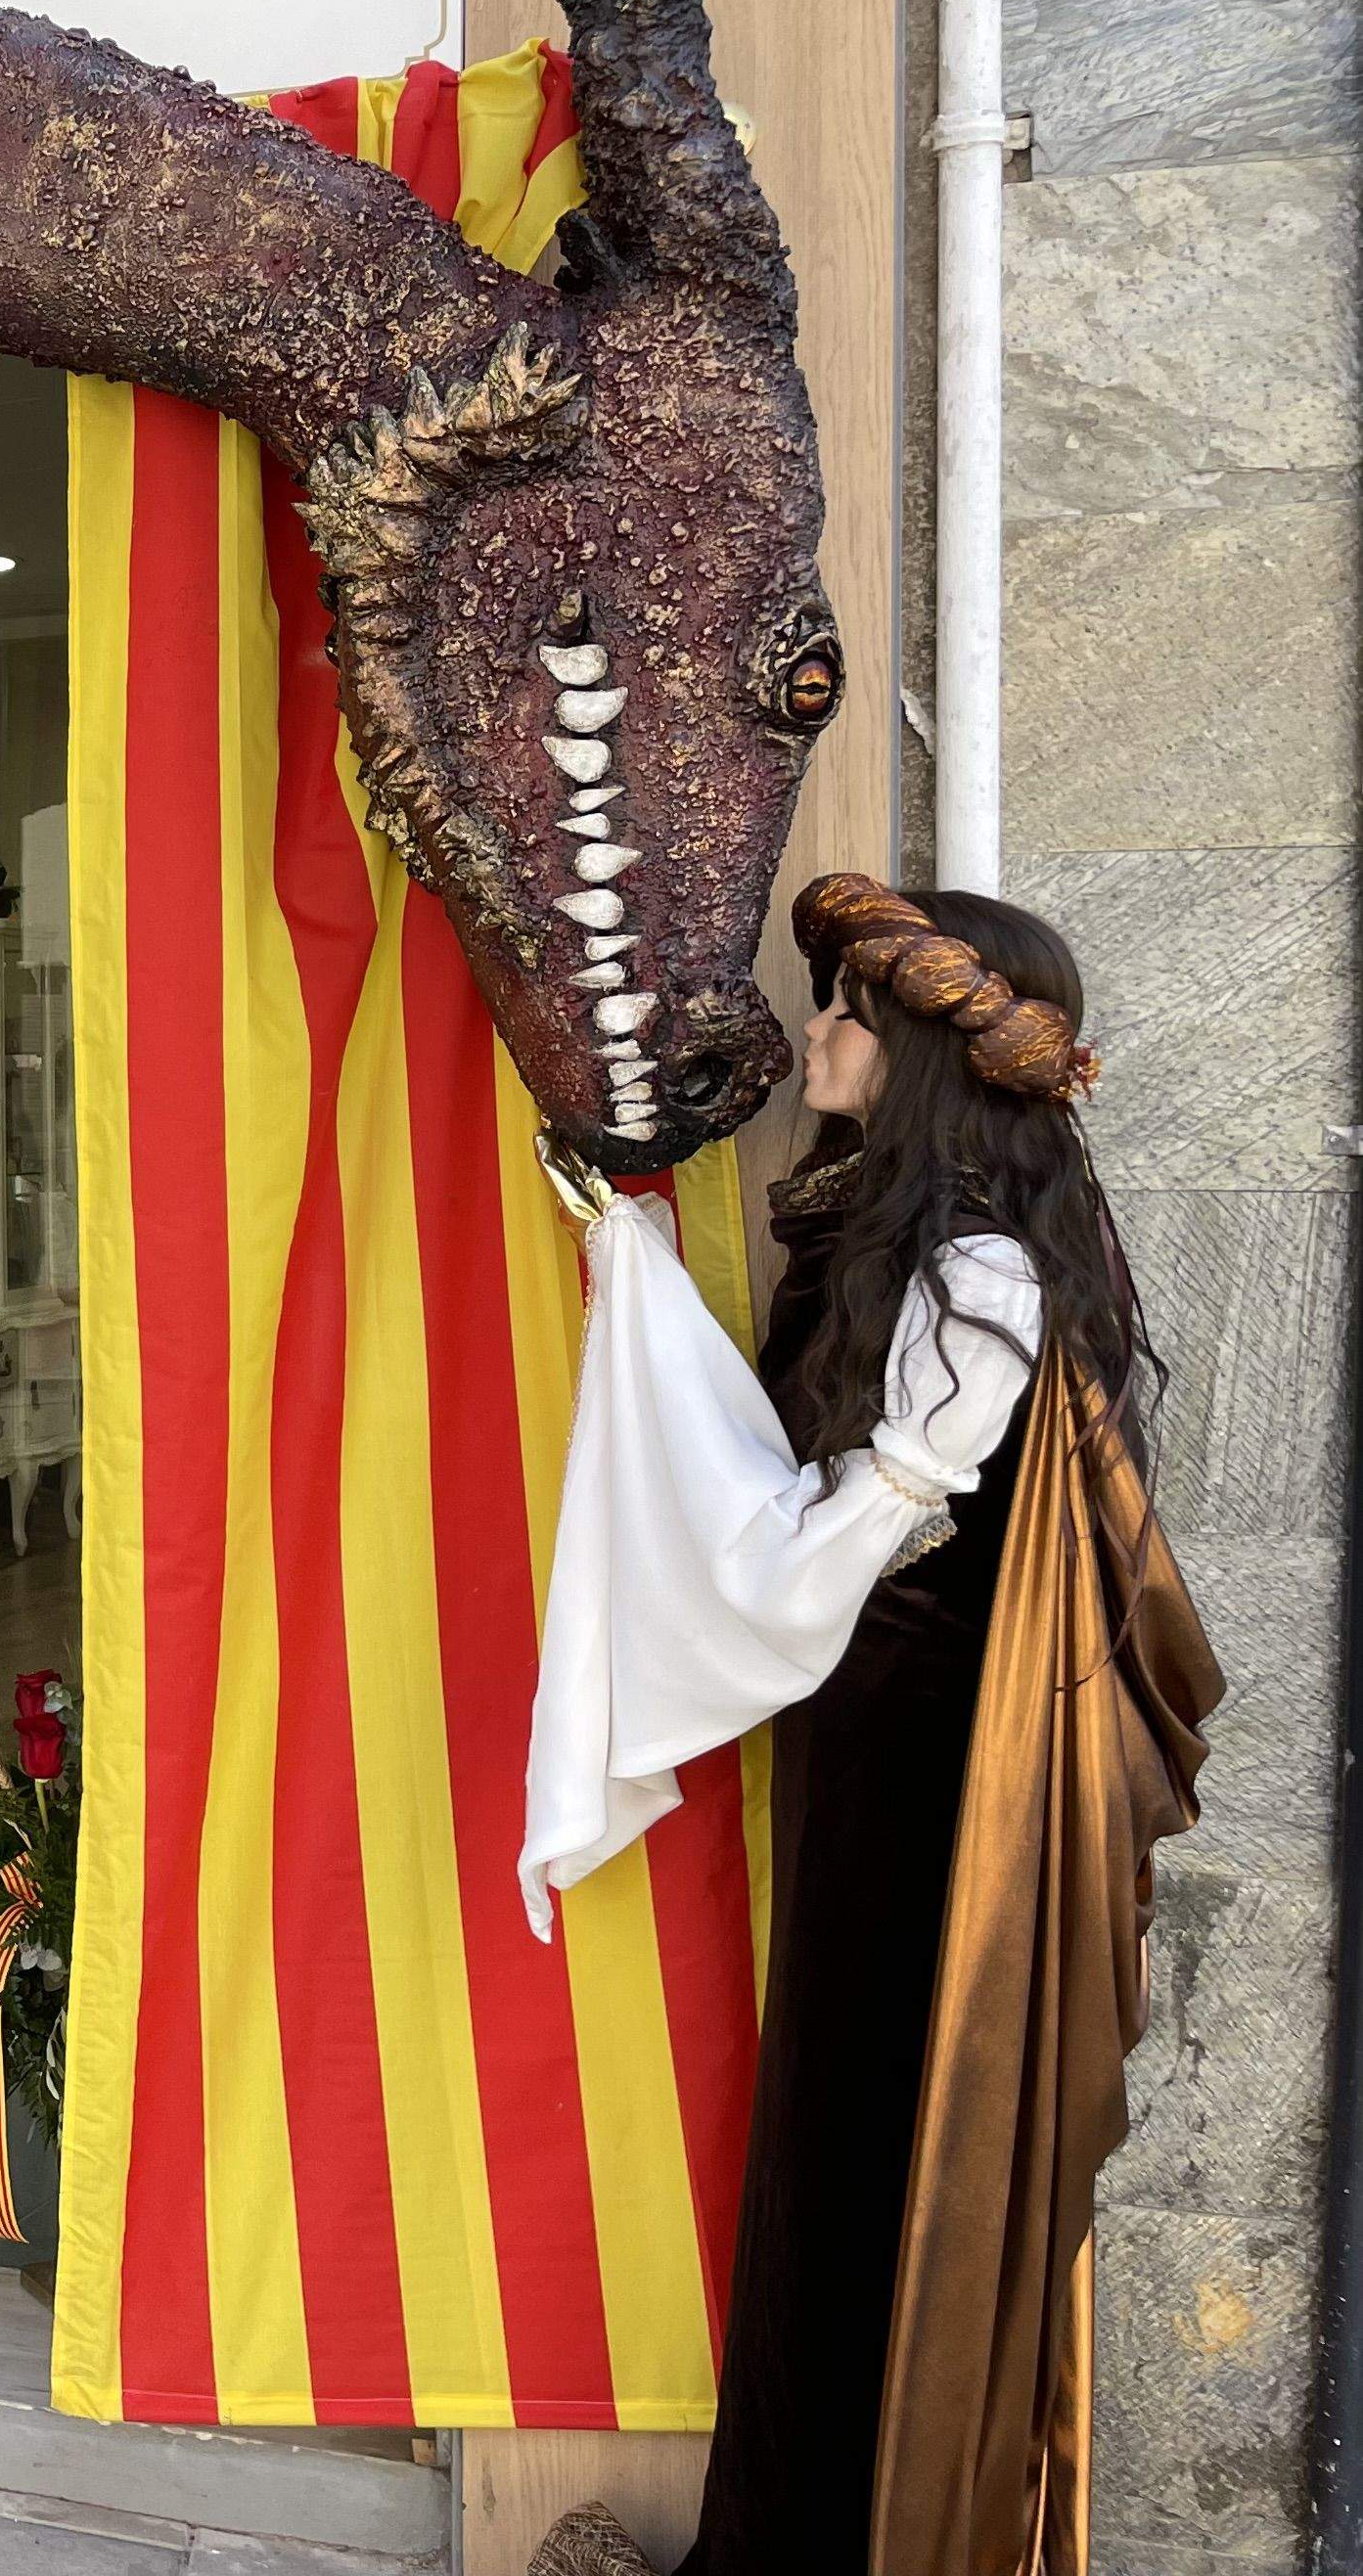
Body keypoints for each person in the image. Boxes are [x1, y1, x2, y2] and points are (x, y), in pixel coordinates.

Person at [522, 879, 1220, 2576]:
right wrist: (630, 1258)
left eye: (845, 1009)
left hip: (936, 1792)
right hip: (881, 1756)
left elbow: (805, 1559)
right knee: (835, 2145)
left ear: (915, 1056)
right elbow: (807, 1521)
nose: (819, 1029)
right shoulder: (911, 1238)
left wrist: (642, 1316)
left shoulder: (977, 1277)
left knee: (870, 2152)